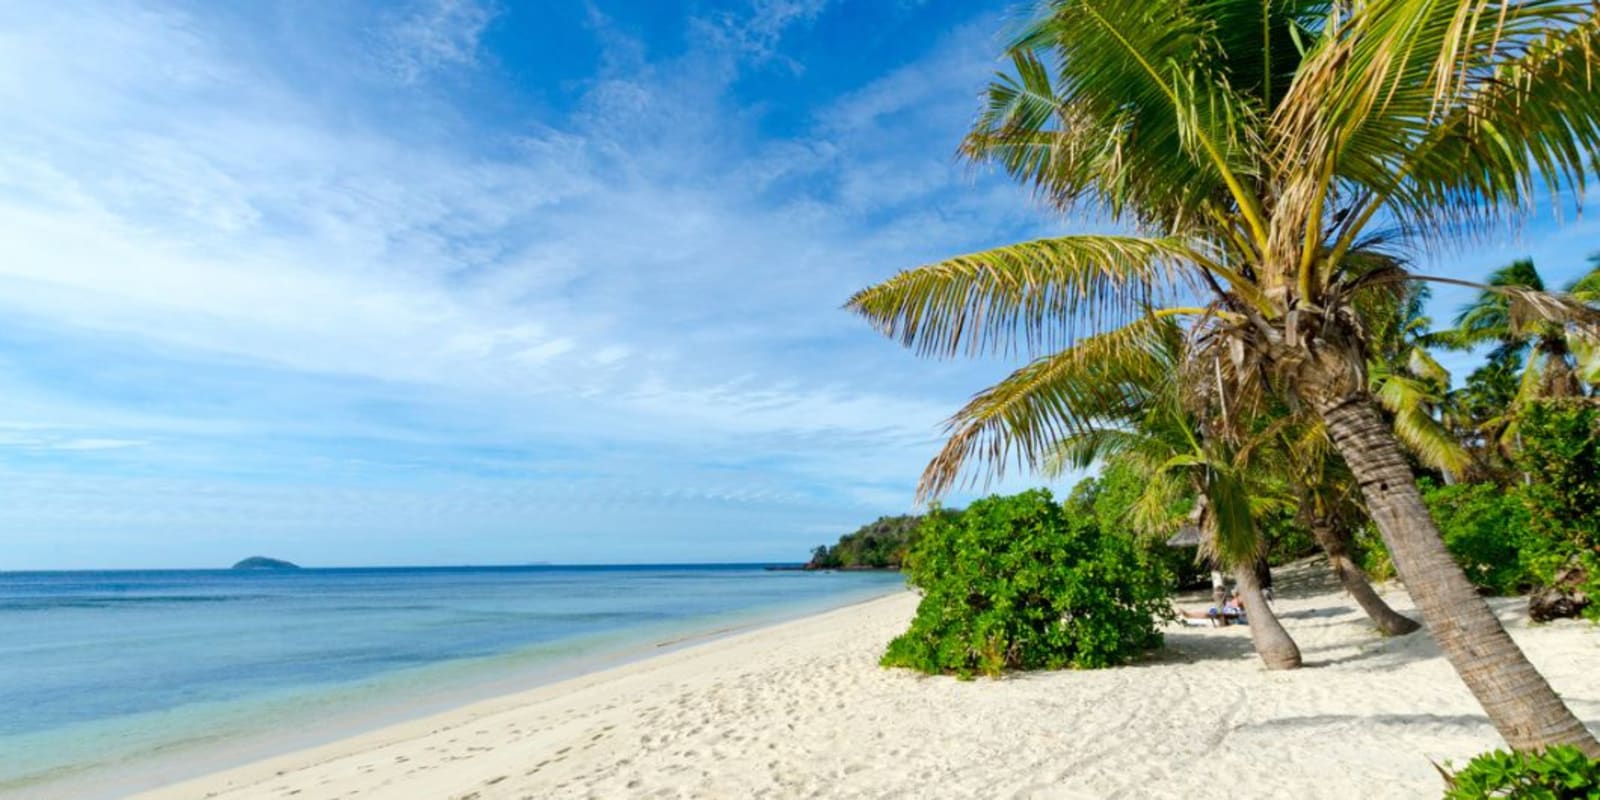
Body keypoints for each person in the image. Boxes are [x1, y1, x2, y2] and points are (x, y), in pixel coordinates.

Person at [1179, 590, 1246, 627]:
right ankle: (1189, 615)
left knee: (1212, 614)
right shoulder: (1235, 602)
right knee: (1211, 612)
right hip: (1229, 610)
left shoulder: (1242, 605)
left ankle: (1189, 615)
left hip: (1232, 614)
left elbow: (1239, 614)